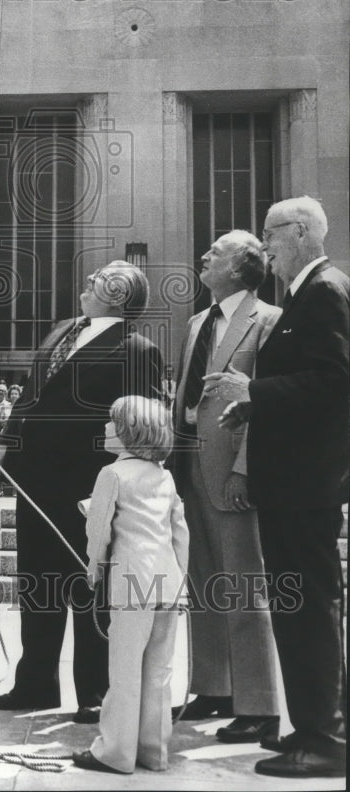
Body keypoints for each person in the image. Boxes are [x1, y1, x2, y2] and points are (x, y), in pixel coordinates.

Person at [206, 196, 348, 779]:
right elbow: (306, 384)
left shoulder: (327, 291)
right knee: (299, 609)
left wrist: (254, 392)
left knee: (309, 608)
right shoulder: (305, 295)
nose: (265, 247)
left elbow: (335, 380)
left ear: (302, 234)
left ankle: (325, 738)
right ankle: (308, 727)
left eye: (270, 233)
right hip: (293, 479)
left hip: (307, 482)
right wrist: (252, 408)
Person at [0, 261, 162, 720]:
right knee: (37, 584)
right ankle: (35, 684)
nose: (86, 282)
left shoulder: (137, 349)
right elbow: (31, 392)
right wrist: (8, 445)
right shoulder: (61, 330)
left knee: (91, 587)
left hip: (92, 486)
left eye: (100, 280)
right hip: (34, 479)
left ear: (121, 295)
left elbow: (141, 425)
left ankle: (95, 691)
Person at [171, 231, 280, 741]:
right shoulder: (197, 323)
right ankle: (214, 687)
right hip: (189, 464)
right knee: (204, 581)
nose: (204, 256)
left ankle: (259, 704)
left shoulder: (270, 320)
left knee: (243, 585)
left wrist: (245, 469)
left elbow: (262, 408)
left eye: (215, 252)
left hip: (233, 471)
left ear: (239, 268)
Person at [73, 396, 188, 774]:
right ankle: (154, 751)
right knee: (159, 673)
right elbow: (180, 534)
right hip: (167, 583)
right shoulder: (165, 476)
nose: (106, 427)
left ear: (128, 432)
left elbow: (99, 528)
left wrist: (94, 565)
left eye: (112, 422)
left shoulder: (112, 474)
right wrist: (181, 580)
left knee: (124, 670)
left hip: (130, 583)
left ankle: (116, 753)